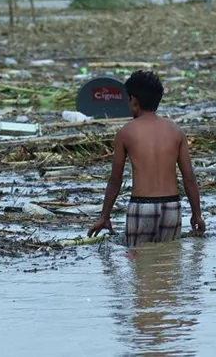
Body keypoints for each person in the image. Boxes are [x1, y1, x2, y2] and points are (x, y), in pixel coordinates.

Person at [88, 70, 205, 246]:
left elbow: (116, 179)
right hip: (172, 207)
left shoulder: (126, 132)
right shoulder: (176, 131)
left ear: (134, 100)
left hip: (141, 207)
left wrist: (104, 216)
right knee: (169, 263)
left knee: (140, 266)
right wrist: (197, 214)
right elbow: (188, 177)